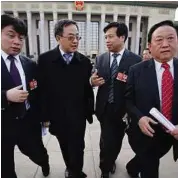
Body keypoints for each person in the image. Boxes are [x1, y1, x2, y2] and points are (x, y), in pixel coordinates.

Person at [37, 19, 94, 178]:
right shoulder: (45, 60)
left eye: (77, 37)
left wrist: (89, 110)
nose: (75, 41)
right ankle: (71, 168)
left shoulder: (84, 62)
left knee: (78, 146)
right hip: (57, 116)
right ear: (58, 38)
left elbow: (87, 89)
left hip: (78, 115)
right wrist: (45, 116)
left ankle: (75, 172)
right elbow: (42, 91)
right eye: (70, 37)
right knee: (64, 145)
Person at [125, 20, 178, 178]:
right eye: (159, 39)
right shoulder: (136, 71)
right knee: (150, 167)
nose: (165, 44)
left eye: (170, 38)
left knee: (153, 157)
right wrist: (140, 118)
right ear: (149, 44)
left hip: (171, 134)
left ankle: (133, 166)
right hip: (145, 133)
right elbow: (128, 100)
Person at [90, 22, 141, 178]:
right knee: (106, 140)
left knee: (116, 140)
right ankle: (105, 168)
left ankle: (110, 160)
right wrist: (92, 82)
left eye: (111, 36)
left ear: (122, 37)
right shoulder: (101, 58)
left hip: (124, 111)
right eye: (105, 37)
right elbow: (93, 77)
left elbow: (138, 89)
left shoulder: (135, 60)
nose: (107, 40)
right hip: (105, 108)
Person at [1, 14, 49, 178]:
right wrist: (5, 95)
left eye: (21, 38)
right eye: (11, 35)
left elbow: (38, 92)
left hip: (28, 121)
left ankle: (44, 162)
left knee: (36, 152)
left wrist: (44, 116)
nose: (17, 41)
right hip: (3, 124)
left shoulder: (29, 64)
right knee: (5, 165)